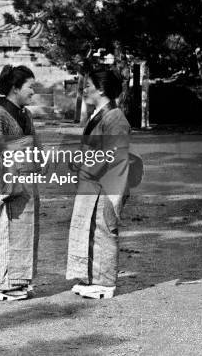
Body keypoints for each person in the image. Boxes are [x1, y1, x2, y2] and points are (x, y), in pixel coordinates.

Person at [66, 69, 131, 299]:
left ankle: (105, 283)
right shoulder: (101, 115)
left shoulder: (115, 117)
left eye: (88, 87)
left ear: (101, 89)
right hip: (93, 183)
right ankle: (93, 278)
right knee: (91, 228)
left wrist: (86, 167)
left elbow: (111, 154)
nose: (84, 91)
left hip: (107, 183)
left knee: (104, 229)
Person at [0, 65, 41, 301]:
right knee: (5, 232)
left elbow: (34, 147)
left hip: (26, 180)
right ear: (15, 89)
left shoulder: (26, 115)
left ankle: (20, 280)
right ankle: (3, 285)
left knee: (25, 231)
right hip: (5, 181)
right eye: (30, 87)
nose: (33, 92)